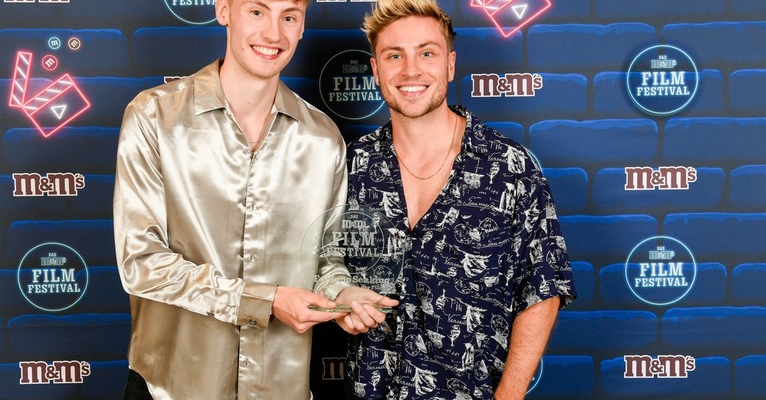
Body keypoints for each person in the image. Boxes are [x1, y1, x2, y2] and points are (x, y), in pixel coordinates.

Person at [113, 1, 396, 399]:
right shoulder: (153, 117)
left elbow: (325, 263)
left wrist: (342, 295)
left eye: (289, 17)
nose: (273, 34)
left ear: (302, 26)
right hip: (170, 389)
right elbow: (141, 262)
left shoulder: (323, 139)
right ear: (224, 10)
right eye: (258, 12)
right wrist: (265, 300)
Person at [345, 0, 577, 399]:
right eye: (394, 55)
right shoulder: (352, 166)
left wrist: (510, 394)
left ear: (450, 65)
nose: (411, 70)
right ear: (376, 70)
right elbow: (319, 263)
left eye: (427, 53)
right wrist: (340, 296)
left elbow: (544, 287)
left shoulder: (508, 166)